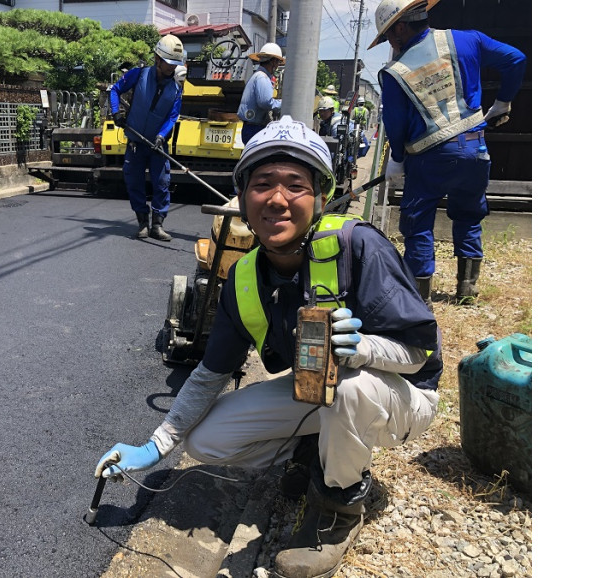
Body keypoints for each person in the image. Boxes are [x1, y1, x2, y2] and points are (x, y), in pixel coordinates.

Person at [94, 116, 442, 578]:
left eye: (295, 185)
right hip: (320, 392)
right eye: (262, 184)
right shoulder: (243, 278)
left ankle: (338, 509)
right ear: (242, 199)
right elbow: (209, 375)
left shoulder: (358, 245)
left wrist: (366, 349)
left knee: (350, 387)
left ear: (320, 198)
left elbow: (419, 354)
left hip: (401, 397)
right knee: (204, 439)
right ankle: (317, 454)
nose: (277, 199)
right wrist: (155, 446)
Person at [369, 0, 526, 304]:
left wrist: (397, 159)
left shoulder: (395, 72)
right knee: (469, 214)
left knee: (418, 222)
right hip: (474, 149)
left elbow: (396, 123)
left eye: (388, 35)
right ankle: (467, 289)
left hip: (428, 158)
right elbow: (515, 59)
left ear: (400, 28)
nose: (390, 43)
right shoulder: (467, 40)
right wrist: (503, 101)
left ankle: (420, 298)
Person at [109, 34, 185, 241]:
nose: (172, 67)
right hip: (136, 142)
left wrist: (162, 135)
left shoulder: (176, 88)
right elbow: (115, 90)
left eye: (175, 63)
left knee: (162, 183)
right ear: (157, 59)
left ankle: (157, 225)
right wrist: (116, 112)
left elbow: (172, 117)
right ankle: (143, 222)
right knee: (134, 182)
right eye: (169, 62)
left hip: (157, 144)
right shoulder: (139, 74)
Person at [238, 42, 285, 143]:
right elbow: (265, 102)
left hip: (250, 127)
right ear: (273, 61)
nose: (278, 65)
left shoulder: (258, 75)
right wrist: (283, 104)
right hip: (255, 128)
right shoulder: (262, 77)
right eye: (278, 62)